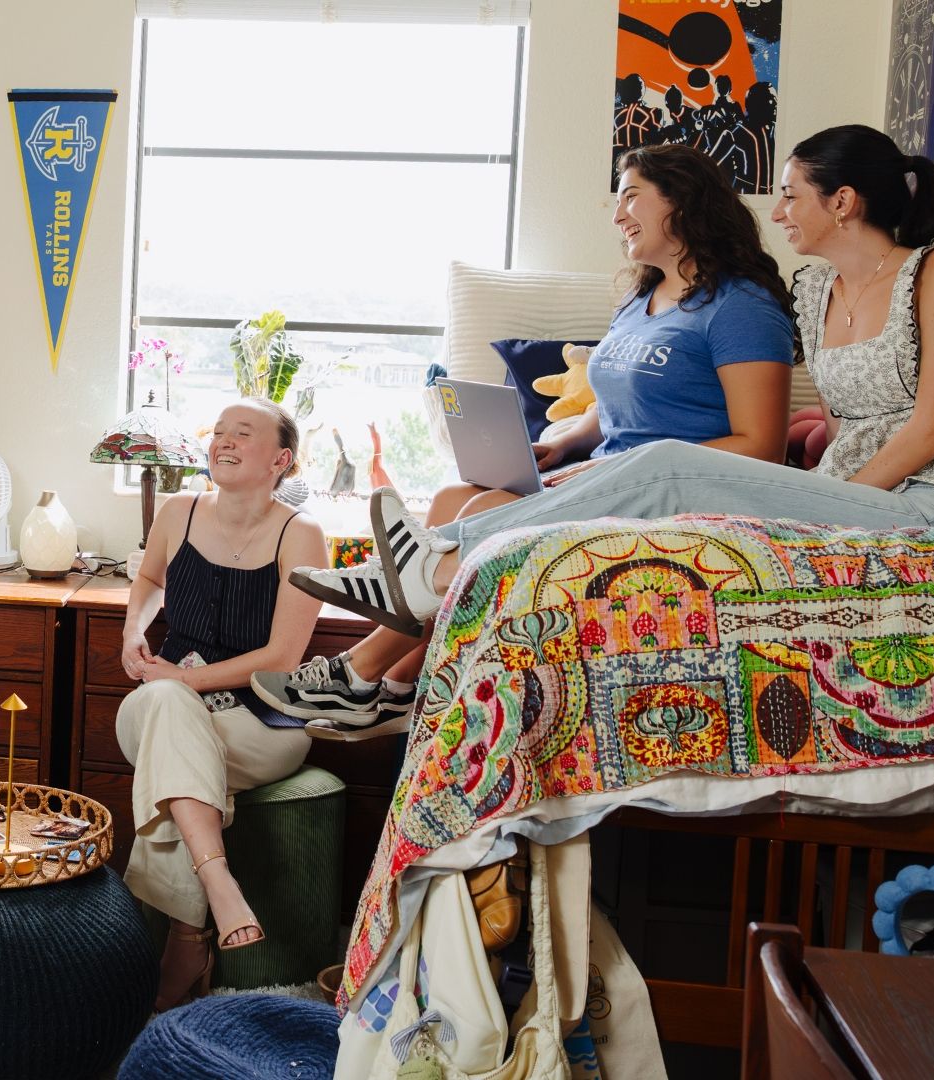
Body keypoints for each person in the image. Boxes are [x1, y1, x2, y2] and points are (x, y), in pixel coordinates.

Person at [259, 125, 934, 740]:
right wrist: (812, 470)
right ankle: (400, 637)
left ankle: (425, 580)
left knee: (662, 462)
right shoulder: (818, 288)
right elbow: (845, 422)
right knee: (479, 493)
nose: (778, 209)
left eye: (794, 192)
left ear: (845, 200)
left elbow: (933, 426)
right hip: (860, 494)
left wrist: (817, 499)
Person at [255, 142, 799, 736]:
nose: (618, 216)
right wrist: (565, 443)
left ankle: (359, 673)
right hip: (605, 471)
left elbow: (763, 447)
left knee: (489, 513)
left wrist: (626, 466)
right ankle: (393, 689)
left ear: (684, 199)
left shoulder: (741, 307)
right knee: (449, 498)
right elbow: (616, 401)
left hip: (671, 496)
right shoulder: (643, 298)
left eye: (631, 197)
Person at [116, 398, 328, 1011]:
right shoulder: (177, 511)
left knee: (177, 731)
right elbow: (151, 582)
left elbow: (284, 657)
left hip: (261, 720)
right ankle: (215, 886)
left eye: (244, 433)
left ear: (281, 460)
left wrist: (187, 682)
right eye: (219, 432)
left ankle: (186, 937)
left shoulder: (302, 532)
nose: (223, 441)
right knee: (169, 711)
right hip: (161, 703)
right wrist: (134, 632)